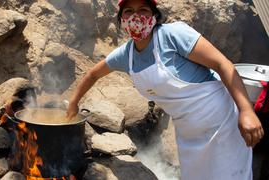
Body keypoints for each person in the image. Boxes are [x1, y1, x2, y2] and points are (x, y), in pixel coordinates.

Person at [66, 0, 264, 179]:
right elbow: (92, 74)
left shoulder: (173, 35)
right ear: (122, 20)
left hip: (222, 124)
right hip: (188, 134)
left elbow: (223, 64)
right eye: (129, 11)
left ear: (154, 16)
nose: (136, 16)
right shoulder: (126, 55)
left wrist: (246, 110)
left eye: (143, 9)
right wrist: (73, 104)